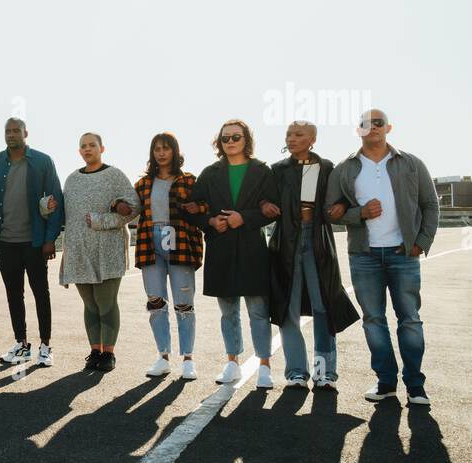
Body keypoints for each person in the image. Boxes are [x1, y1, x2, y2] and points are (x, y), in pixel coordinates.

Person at [325, 109, 438, 406]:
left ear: (388, 127)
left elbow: (430, 205)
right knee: (374, 320)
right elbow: (330, 212)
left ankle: (415, 385)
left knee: (410, 320)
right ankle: (386, 382)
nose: (372, 127)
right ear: (358, 130)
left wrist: (421, 242)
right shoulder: (345, 168)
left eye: (378, 123)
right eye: (365, 124)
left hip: (404, 254)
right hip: (365, 256)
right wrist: (359, 213)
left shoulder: (411, 164)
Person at [261, 122, 360, 389]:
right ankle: (296, 373)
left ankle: (324, 372)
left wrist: (341, 204)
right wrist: (265, 204)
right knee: (288, 309)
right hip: (286, 243)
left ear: (312, 139)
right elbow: (264, 198)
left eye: (298, 135)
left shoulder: (327, 168)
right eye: (289, 135)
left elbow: (345, 197)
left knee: (323, 306)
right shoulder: (278, 169)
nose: (292, 139)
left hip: (318, 242)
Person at [187, 121, 278, 387]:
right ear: (220, 142)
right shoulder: (210, 172)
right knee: (228, 311)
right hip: (222, 248)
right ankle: (232, 363)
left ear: (246, 139)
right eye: (225, 138)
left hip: (252, 248)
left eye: (236, 136)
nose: (230, 141)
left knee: (258, 311)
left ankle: (264, 366)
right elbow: (191, 208)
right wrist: (210, 222)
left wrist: (245, 217)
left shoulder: (262, 170)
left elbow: (273, 206)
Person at [0, 118, 65, 367]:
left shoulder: (42, 161)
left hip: (35, 242)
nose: (11, 134)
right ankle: (22, 344)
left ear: (26, 133)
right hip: (6, 242)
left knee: (40, 294)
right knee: (14, 295)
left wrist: (50, 239)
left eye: (16, 130)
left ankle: (45, 346)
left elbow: (55, 200)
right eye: (7, 131)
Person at [57, 133, 139, 372]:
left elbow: (134, 208)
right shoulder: (71, 179)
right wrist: (47, 208)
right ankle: (94, 350)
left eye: (92, 145)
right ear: (79, 151)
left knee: (106, 302)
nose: (87, 149)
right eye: (83, 146)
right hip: (79, 250)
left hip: (108, 250)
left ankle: (108, 353)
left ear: (102, 148)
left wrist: (102, 220)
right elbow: (65, 215)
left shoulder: (115, 175)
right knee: (90, 304)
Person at [133, 132, 202, 380]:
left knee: (184, 303)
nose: (161, 153)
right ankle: (163, 356)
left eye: (166, 148)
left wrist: (199, 208)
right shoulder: (143, 184)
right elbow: (130, 207)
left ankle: (188, 359)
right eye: (156, 149)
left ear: (175, 151)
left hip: (180, 241)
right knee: (155, 301)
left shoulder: (189, 181)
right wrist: (116, 205)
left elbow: (204, 206)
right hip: (150, 242)